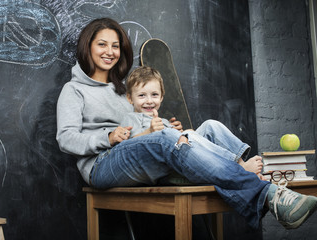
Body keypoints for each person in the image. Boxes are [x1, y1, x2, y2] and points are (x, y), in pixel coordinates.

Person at [56, 17, 317, 230]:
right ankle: (271, 195)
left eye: (115, 46)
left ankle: (240, 167)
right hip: (102, 164)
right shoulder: (74, 90)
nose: (110, 52)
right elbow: (66, 139)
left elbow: (141, 126)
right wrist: (109, 137)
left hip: (138, 153)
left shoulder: (124, 89)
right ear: (87, 46)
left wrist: (167, 130)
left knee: (208, 128)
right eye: (102, 44)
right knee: (168, 140)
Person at [121, 65, 265, 178]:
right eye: (141, 95)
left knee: (210, 125)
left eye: (154, 95)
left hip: (185, 155)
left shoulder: (162, 120)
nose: (149, 101)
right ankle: (239, 170)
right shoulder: (130, 118)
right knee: (190, 133)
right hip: (164, 166)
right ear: (129, 98)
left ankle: (241, 163)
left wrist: (177, 132)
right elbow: (123, 148)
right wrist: (149, 132)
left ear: (162, 97)